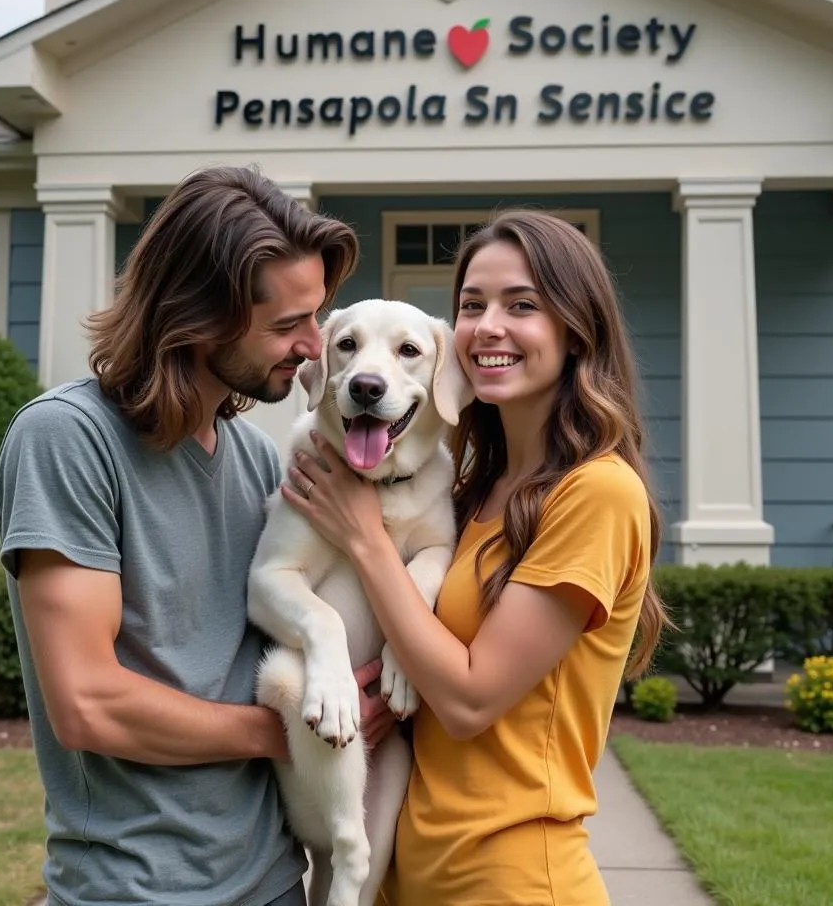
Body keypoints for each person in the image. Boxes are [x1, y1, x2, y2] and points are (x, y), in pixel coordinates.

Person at [0, 165, 393, 906]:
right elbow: (87, 704)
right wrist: (284, 734)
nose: (314, 345)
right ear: (196, 317)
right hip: (137, 888)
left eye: (317, 317)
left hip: (274, 880)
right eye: (286, 325)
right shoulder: (66, 439)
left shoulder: (253, 458)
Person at [281, 208, 670, 905]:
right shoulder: (477, 489)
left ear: (576, 328)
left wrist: (365, 537)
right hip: (414, 866)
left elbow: (466, 700)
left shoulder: (598, 493)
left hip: (513, 878)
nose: (489, 325)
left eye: (522, 305)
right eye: (472, 304)